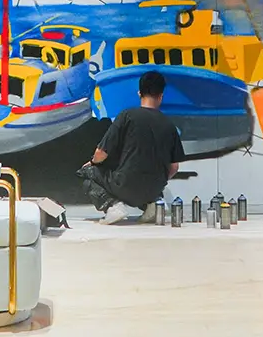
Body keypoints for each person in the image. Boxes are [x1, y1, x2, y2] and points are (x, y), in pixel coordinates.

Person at [78, 70, 185, 224]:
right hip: (153, 189)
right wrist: (157, 182)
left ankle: (112, 206)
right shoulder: (169, 125)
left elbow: (101, 153)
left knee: (86, 172)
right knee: (148, 181)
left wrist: (93, 163)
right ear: (161, 96)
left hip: (126, 185)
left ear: (139, 93)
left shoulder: (127, 116)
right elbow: (174, 168)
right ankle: (153, 204)